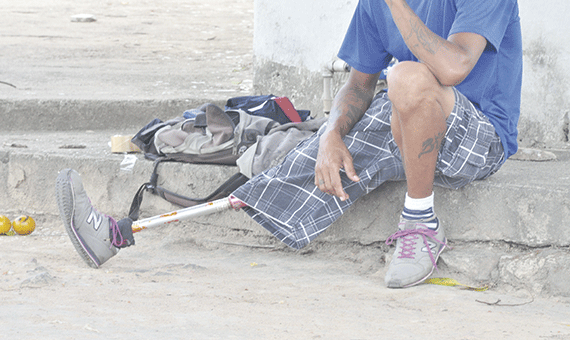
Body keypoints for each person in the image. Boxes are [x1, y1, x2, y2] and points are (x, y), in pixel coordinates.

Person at [56, 0, 523, 289]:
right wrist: (331, 135)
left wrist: (396, 3)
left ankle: (420, 225)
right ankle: (116, 235)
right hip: (410, 121)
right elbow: (358, 87)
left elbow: (456, 66)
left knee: (406, 76)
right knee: (300, 161)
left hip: (480, 136)